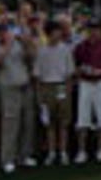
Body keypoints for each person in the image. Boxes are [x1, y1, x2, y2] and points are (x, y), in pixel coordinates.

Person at [0, 20, 37, 173]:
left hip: (25, 86)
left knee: (27, 122)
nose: (3, 34)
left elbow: (31, 56)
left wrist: (26, 42)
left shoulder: (18, 45)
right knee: (11, 124)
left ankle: (25, 155)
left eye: (4, 31)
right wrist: (8, 44)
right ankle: (7, 159)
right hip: (9, 89)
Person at [72, 19, 101, 163]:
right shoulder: (80, 47)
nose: (93, 32)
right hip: (85, 83)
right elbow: (75, 66)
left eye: (96, 29)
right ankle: (81, 151)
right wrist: (83, 70)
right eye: (90, 29)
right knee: (82, 118)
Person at [31, 21, 75, 165]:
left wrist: (68, 91)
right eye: (55, 32)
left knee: (63, 122)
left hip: (61, 86)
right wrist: (39, 94)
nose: (58, 34)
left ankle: (63, 152)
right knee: (49, 123)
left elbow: (69, 74)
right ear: (49, 34)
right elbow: (37, 75)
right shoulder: (42, 51)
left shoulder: (66, 50)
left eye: (59, 31)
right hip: (47, 86)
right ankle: (51, 152)